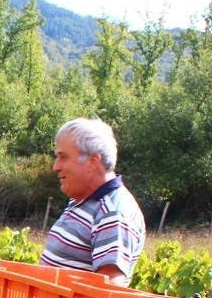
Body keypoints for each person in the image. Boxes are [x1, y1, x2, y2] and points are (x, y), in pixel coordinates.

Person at [39, 117, 145, 287]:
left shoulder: (112, 213)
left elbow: (110, 287)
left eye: (63, 157)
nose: (55, 167)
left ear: (93, 162)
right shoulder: (83, 199)